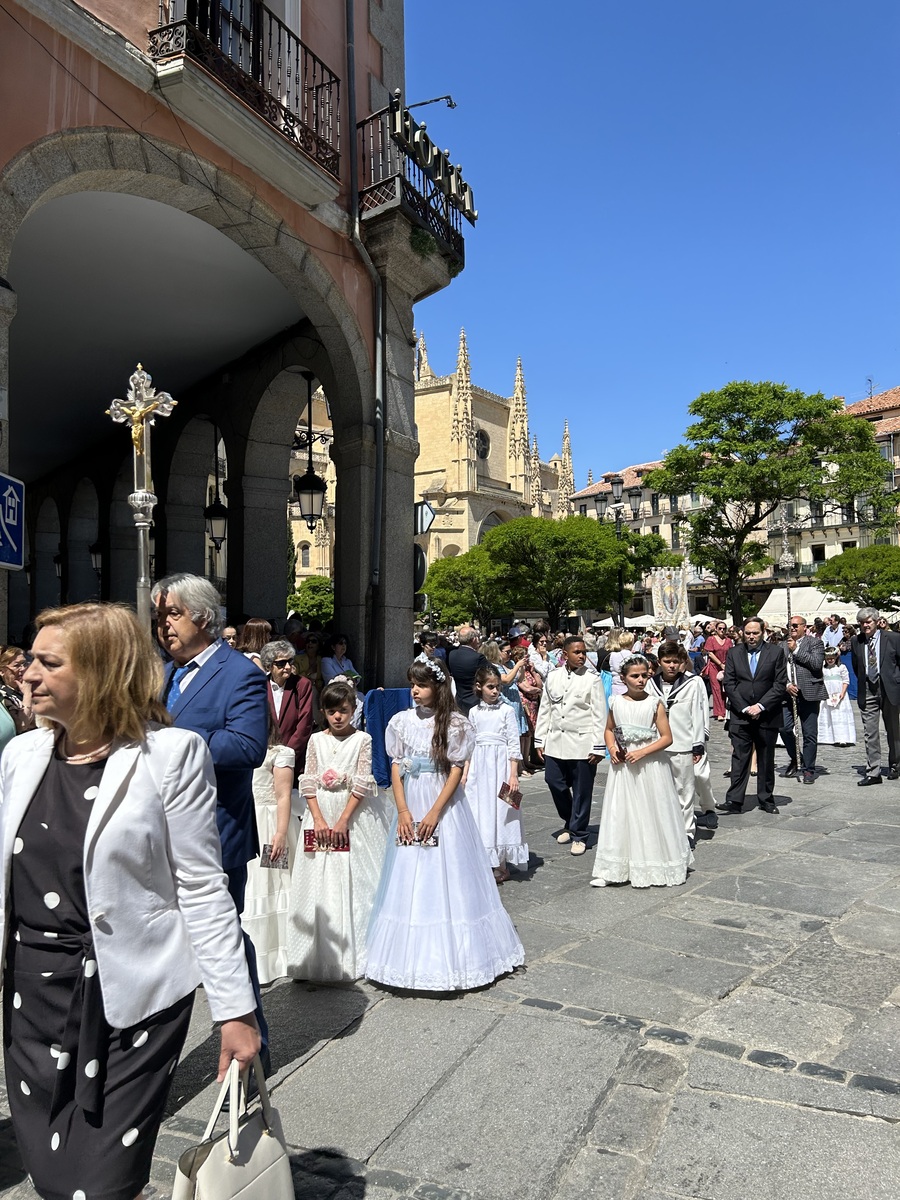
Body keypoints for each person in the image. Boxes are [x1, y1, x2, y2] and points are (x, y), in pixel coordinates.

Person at [2, 603, 259, 1200]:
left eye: (48, 662)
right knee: (51, 1177)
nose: (28, 674)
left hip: (134, 999)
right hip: (33, 994)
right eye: (30, 659)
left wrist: (235, 1010)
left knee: (100, 1183)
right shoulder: (22, 754)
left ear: (98, 672)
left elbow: (200, 885)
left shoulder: (170, 755)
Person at [151, 572, 270, 1061]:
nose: (164, 627)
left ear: (202, 617)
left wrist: (170, 737)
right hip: (157, 834)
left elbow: (247, 746)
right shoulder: (160, 671)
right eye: (158, 618)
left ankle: (252, 1041)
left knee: (223, 938)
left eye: (172, 614)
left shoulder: (240, 672)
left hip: (217, 832)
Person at [365, 656, 524, 991]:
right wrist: (404, 811)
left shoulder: (455, 724)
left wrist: (435, 812)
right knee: (410, 870)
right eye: (412, 684)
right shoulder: (401, 722)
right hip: (411, 802)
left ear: (438, 687)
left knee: (449, 868)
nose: (414, 691)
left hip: (445, 805)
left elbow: (455, 770)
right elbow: (397, 767)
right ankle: (405, 957)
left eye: (421, 685)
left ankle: (460, 956)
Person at [287, 678, 389, 980]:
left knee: (353, 877)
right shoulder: (317, 740)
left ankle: (352, 951)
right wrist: (317, 818)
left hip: (350, 813)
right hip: (320, 810)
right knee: (316, 877)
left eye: (343, 711)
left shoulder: (363, 740)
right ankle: (312, 953)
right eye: (332, 712)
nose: (338, 717)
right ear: (323, 712)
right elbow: (308, 778)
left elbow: (361, 781)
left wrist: (344, 819)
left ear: (353, 710)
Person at [591, 654, 693, 888]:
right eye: (634, 676)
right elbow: (609, 729)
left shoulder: (654, 703)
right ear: (623, 678)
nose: (640, 680)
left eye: (643, 676)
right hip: (624, 765)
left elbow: (667, 738)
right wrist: (612, 746)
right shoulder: (615, 702)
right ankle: (615, 867)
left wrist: (643, 752)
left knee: (651, 810)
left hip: (650, 765)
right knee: (622, 811)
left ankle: (657, 863)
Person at [533, 636, 608, 857]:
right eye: (577, 652)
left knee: (582, 790)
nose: (582, 656)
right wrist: (540, 739)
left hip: (583, 743)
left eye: (584, 652)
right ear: (565, 655)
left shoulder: (592, 679)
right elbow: (545, 709)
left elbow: (599, 713)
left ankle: (579, 833)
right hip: (556, 741)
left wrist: (598, 746)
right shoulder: (553, 677)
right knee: (554, 781)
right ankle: (570, 819)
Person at [242, 721, 298, 984]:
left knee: (273, 883)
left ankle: (279, 958)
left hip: (270, 825)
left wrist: (280, 833)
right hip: (247, 821)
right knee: (250, 885)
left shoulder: (280, 753)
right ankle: (253, 960)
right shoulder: (242, 750)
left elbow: (283, 795)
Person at [648, 641, 717, 844]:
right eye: (667, 661)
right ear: (659, 662)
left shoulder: (693, 683)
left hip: (684, 743)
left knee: (685, 790)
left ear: (682, 662)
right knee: (661, 789)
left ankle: (687, 832)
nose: (671, 666)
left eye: (675, 662)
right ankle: (665, 828)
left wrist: (698, 743)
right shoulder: (651, 683)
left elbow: (700, 712)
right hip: (658, 744)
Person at [463, 665, 527, 883]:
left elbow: (513, 743)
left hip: (501, 767)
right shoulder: (473, 712)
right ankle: (483, 859)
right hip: (480, 768)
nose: (495, 691)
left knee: (504, 810)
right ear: (479, 687)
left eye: (498, 687)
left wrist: (513, 774)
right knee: (480, 810)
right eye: (490, 687)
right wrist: (465, 772)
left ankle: (501, 863)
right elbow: (469, 744)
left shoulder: (506, 711)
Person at [718, 617, 788, 814]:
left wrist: (760, 706)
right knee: (740, 758)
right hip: (741, 715)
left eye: (755, 633)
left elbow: (779, 683)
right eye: (747, 633)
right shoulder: (734, 653)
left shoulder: (775, 653)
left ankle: (766, 799)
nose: (751, 637)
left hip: (767, 715)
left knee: (766, 758)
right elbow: (730, 683)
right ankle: (734, 800)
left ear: (763, 632)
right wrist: (744, 708)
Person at [850, 607, 900, 786]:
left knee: (893, 730)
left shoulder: (893, 638)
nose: (865, 626)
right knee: (870, 732)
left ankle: (895, 764)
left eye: (868, 622)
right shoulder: (857, 641)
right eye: (862, 623)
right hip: (868, 689)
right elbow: (857, 666)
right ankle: (874, 772)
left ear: (877, 622)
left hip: (889, 689)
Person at [779, 615, 827, 784]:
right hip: (788, 694)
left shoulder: (815, 643)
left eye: (795, 625)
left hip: (809, 693)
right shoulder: (781, 645)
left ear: (804, 627)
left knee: (809, 734)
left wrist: (796, 651)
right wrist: (786, 684)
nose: (791, 628)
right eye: (789, 625)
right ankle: (796, 757)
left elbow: (816, 664)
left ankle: (808, 768)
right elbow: (776, 670)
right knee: (784, 728)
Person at [262, 638, 313, 778]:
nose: (288, 667)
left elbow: (305, 723)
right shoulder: (259, 686)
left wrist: (287, 755)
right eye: (281, 663)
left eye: (290, 661)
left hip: (293, 760)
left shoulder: (302, 685)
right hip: (264, 759)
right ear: (268, 666)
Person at [818, 645, 856, 746]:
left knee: (839, 716)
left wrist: (842, 693)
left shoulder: (841, 668)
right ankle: (826, 737)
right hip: (827, 695)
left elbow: (845, 681)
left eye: (832, 658)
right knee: (826, 714)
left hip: (838, 695)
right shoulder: (823, 669)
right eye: (828, 659)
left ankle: (842, 737)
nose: (830, 660)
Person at [446, 625, 488, 715]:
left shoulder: (452, 654)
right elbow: (493, 674)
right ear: (473, 640)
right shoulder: (478, 657)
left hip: (459, 700)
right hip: (476, 701)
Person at [0, 644, 35, 734]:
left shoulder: (33, 687)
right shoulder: (4, 696)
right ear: (2, 671)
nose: (22, 669)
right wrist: (27, 694)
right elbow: (22, 724)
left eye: (24, 664)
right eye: (17, 665)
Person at [704, 621, 733, 721]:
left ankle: (725, 709)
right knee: (716, 689)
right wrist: (720, 664)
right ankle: (719, 712)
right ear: (716, 629)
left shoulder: (728, 640)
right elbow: (710, 654)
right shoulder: (711, 639)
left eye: (724, 629)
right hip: (714, 666)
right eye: (720, 628)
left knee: (725, 688)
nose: (722, 630)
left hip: (726, 666)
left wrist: (727, 665)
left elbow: (731, 653)